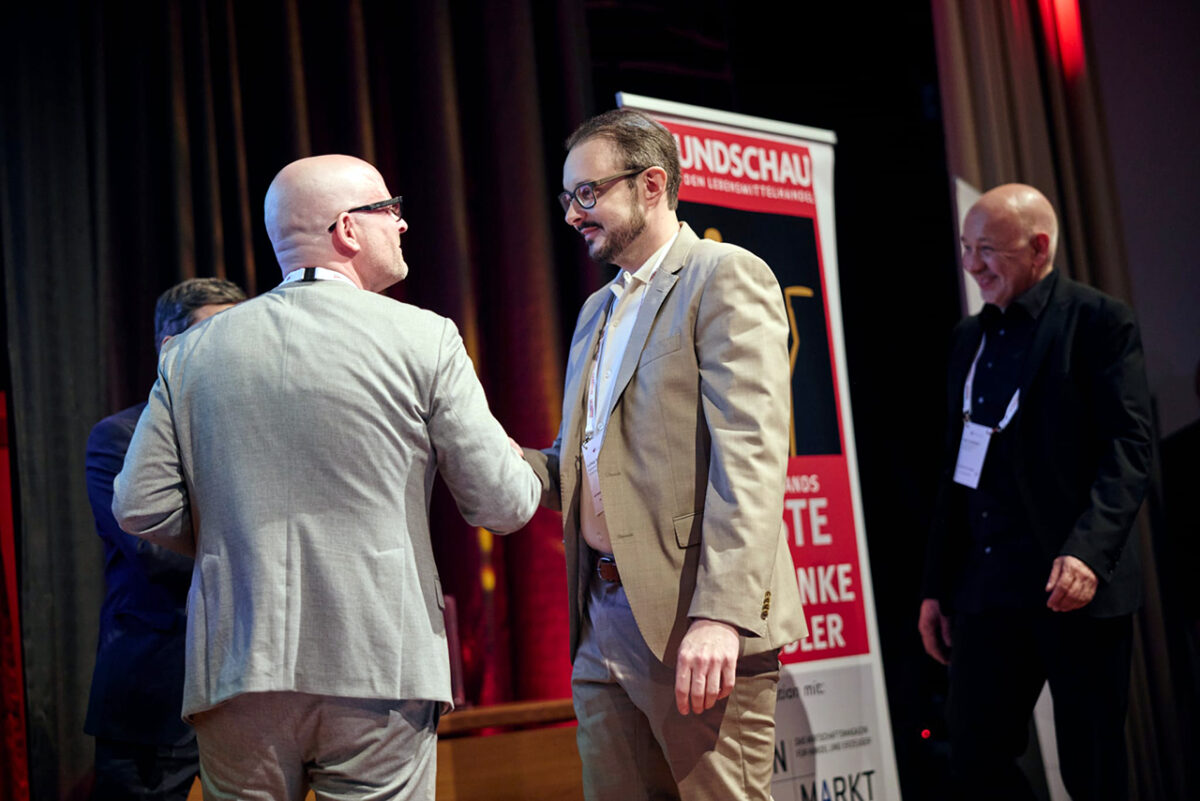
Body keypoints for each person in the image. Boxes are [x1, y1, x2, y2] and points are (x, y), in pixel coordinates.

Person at [112, 154, 541, 801]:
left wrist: (235, 535)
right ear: (347, 228)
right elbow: (503, 504)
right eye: (389, 209)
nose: (401, 223)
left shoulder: (193, 351)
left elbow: (139, 506)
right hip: (380, 661)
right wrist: (521, 465)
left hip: (235, 665)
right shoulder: (424, 337)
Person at [523, 109, 807, 801]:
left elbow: (751, 456)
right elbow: (577, 464)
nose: (572, 215)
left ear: (651, 185)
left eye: (587, 193)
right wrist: (474, 448)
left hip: (692, 619)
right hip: (601, 620)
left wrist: (722, 614)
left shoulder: (724, 276)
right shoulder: (595, 311)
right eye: (567, 197)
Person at [918, 184, 1153, 799]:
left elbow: (1129, 448)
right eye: (966, 247)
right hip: (986, 587)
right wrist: (937, 586)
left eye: (987, 250)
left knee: (1092, 771)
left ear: (1038, 247)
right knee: (975, 756)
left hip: (1071, 585)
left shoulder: (1099, 321)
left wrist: (1088, 553)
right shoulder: (967, 339)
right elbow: (954, 470)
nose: (971, 265)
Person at [84, 277, 245, 801]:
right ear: (170, 346)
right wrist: (258, 550)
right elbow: (153, 552)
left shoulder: (255, 433)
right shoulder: (119, 436)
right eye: (216, 332)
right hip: (154, 692)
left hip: (246, 690)